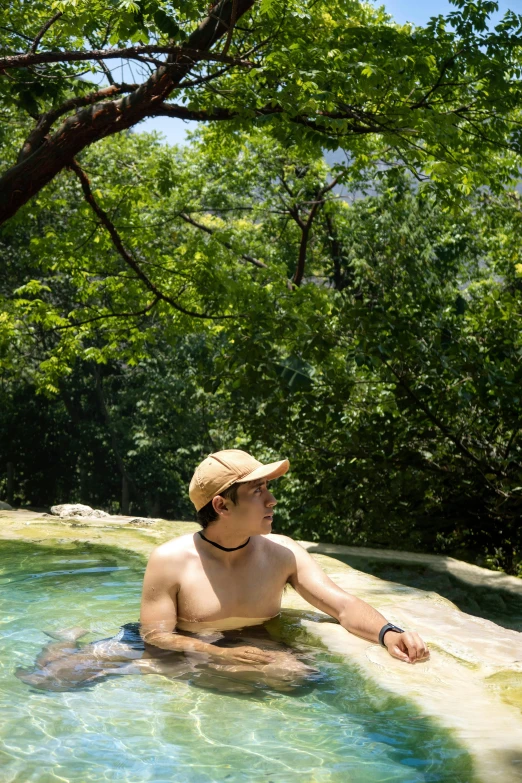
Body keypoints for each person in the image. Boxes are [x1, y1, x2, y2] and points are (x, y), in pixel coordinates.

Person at [16, 449, 429, 693]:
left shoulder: (283, 553)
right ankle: (63, 639)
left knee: (303, 682)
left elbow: (342, 605)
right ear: (221, 505)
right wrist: (216, 653)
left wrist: (387, 632)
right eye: (258, 490)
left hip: (245, 641)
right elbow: (156, 634)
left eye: (268, 489)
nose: (271, 500)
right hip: (174, 643)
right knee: (50, 681)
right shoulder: (171, 559)